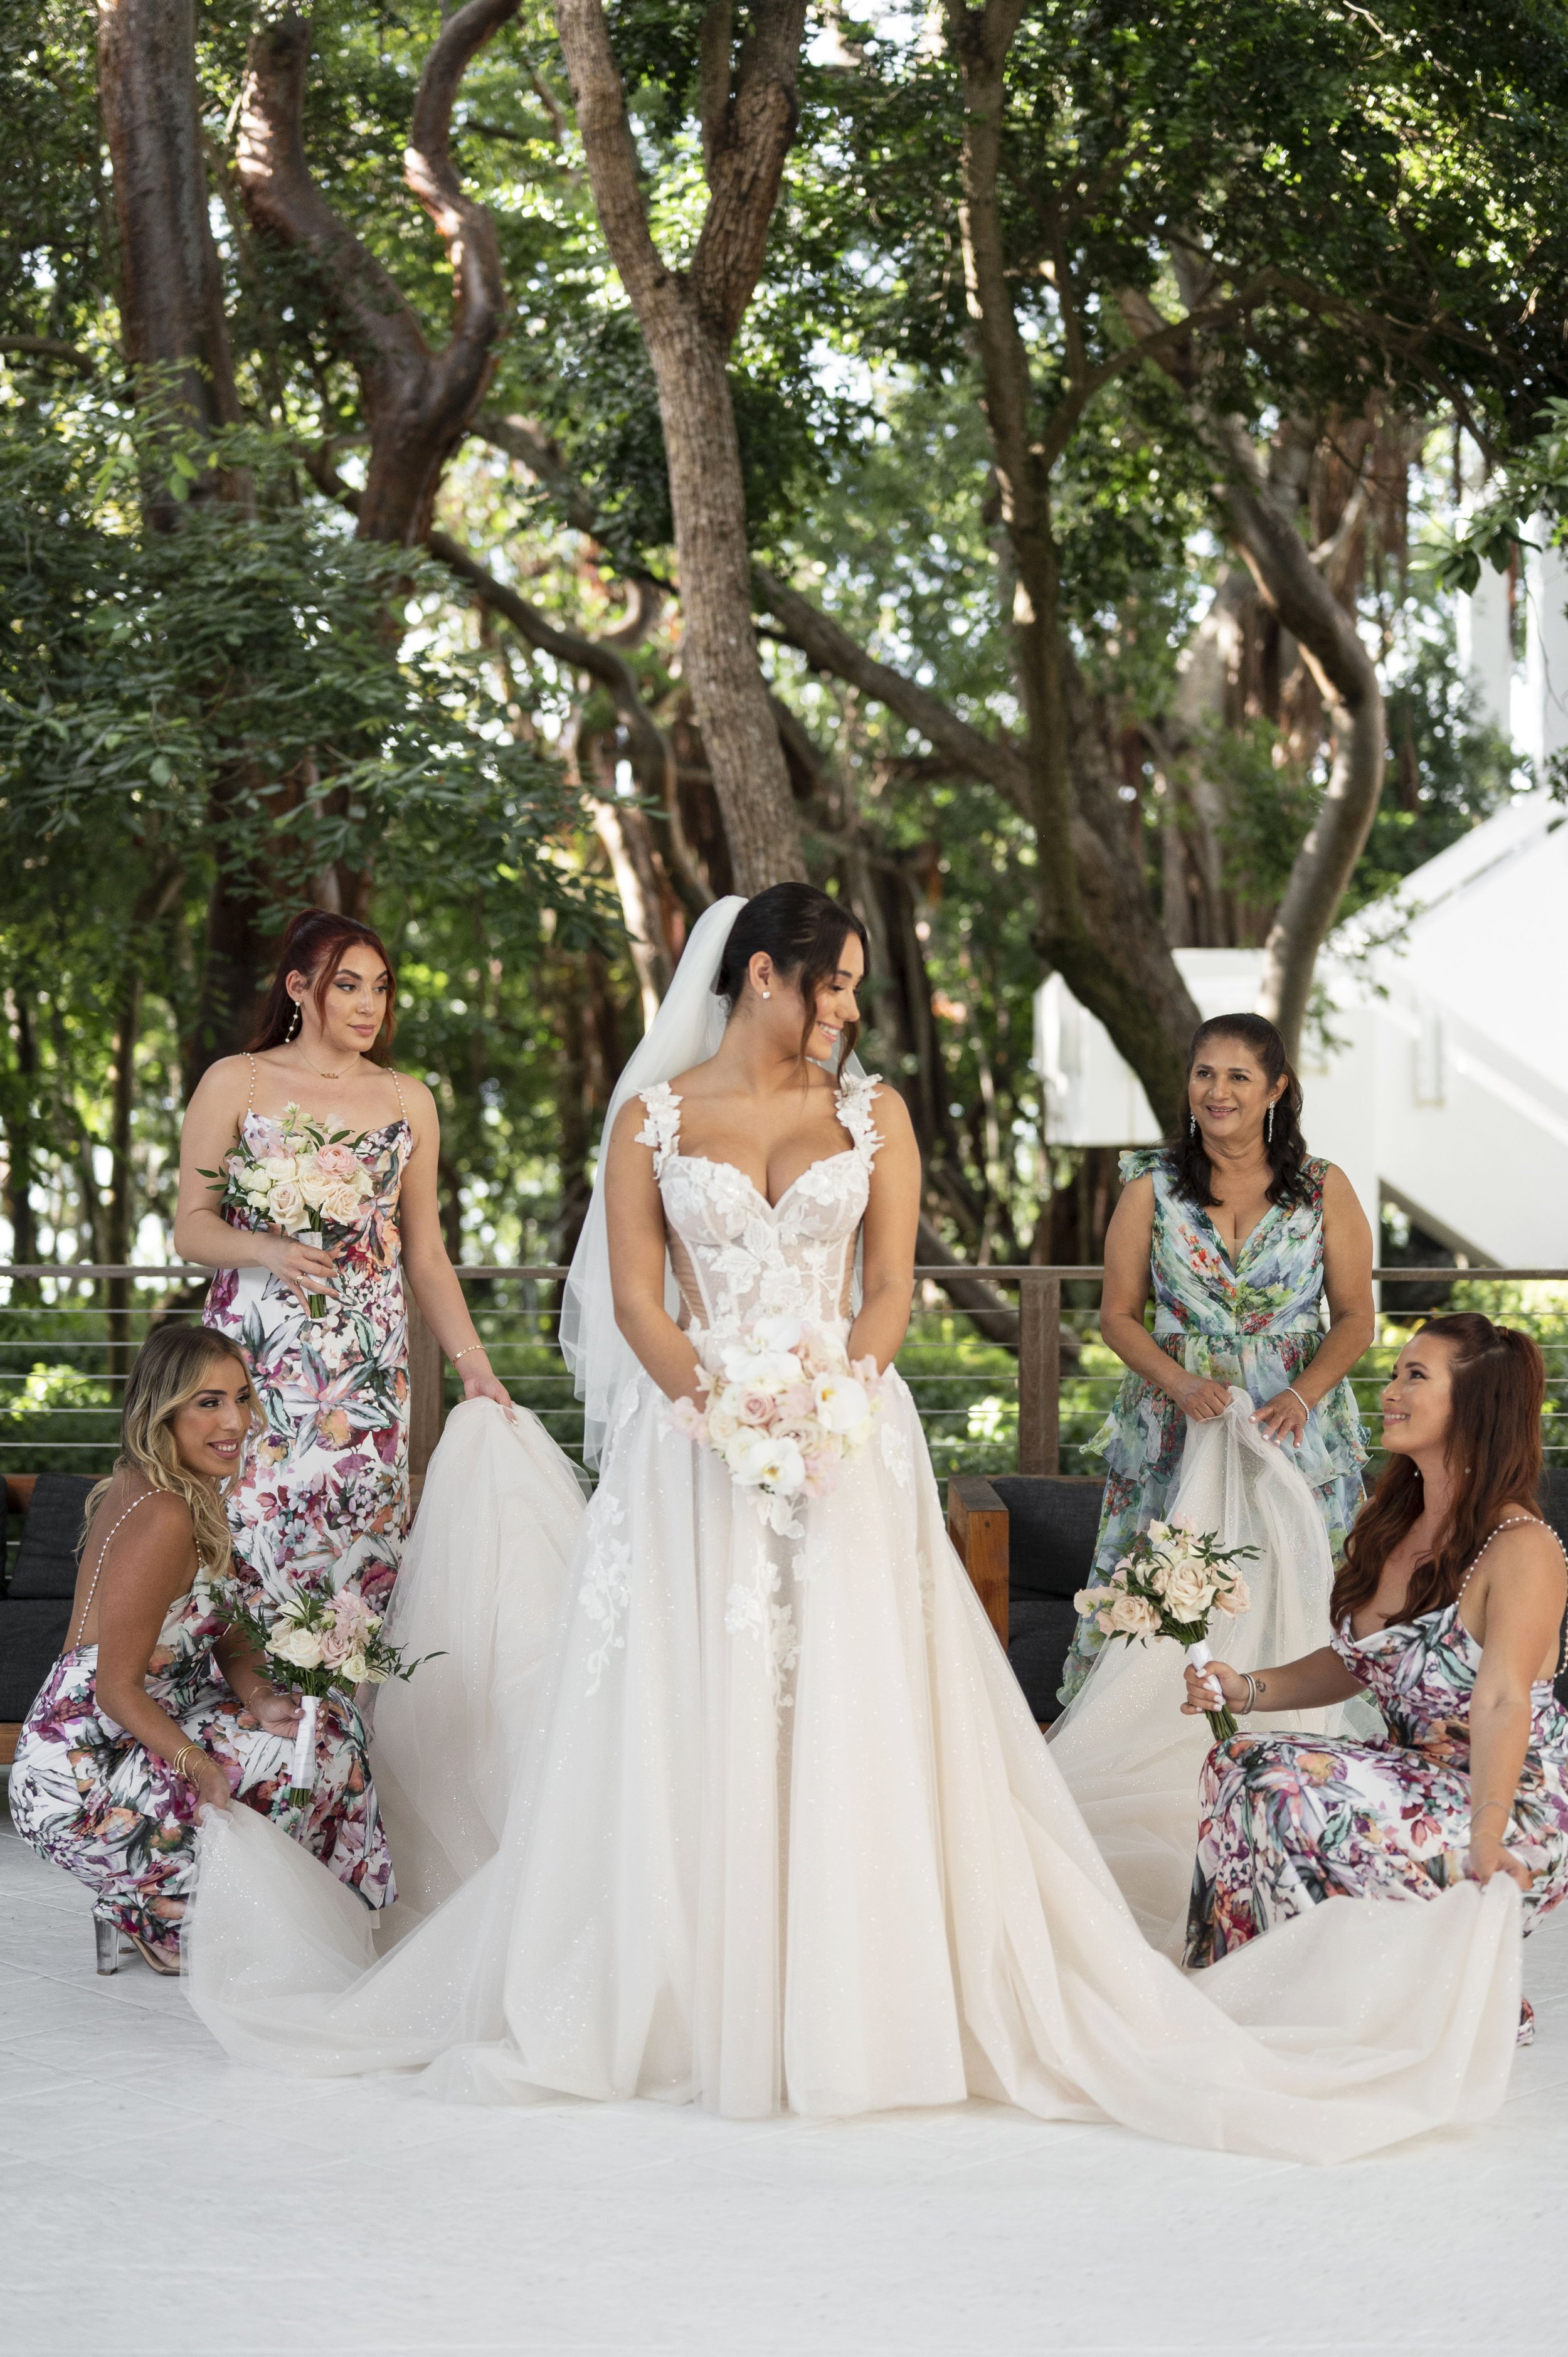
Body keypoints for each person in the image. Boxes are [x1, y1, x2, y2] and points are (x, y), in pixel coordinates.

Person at [186, 891, 1526, 2164]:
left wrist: (833, 1396)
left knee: (846, 1696)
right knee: (692, 1698)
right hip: (690, 1443)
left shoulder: (874, 1112)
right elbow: (643, 1298)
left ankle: (856, 1989)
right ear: (760, 975)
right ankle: (683, 1983)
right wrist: (713, 1403)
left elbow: (886, 1284)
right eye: (831, 981)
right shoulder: (650, 1115)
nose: (845, 1005)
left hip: (845, 1436)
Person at [1182, 1314, 1568, 2041]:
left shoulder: (1522, 1548)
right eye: (1394, 1373)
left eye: (1414, 1376)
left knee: (1281, 1782)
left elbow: (1502, 1697)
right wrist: (1246, 1688)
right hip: (1409, 1775)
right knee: (1235, 1759)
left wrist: (1487, 1832)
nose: (1389, 1390)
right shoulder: (1392, 1519)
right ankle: (1261, 1988)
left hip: (1504, 1801)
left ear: (1475, 1403)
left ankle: (1440, 1991)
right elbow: (1356, 1663)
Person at [8, 1325, 393, 1973]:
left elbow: (230, 1627)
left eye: (241, 1397)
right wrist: (198, 1765)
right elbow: (114, 1687)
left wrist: (263, 1697)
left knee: (321, 1734)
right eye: (208, 1402)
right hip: (80, 1764)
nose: (236, 1420)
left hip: (155, 1720)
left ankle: (226, 1908)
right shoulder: (162, 1512)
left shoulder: (189, 1492)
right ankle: (151, 1907)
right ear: (163, 1410)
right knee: (251, 1801)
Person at [176, 909, 510, 1619]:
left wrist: (472, 1361)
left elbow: (425, 1252)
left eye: (382, 988)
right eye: (348, 985)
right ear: (299, 987)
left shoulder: (406, 1098)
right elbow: (192, 1228)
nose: (369, 1005)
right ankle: (240, 1711)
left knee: (358, 1542)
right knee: (248, 1529)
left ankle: (342, 1717)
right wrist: (267, 1247)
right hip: (256, 1357)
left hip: (365, 1368)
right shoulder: (236, 1080)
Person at [1059, 1013, 1374, 1708]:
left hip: (1294, 1424)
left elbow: (1355, 1318)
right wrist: (1178, 1381)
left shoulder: (1323, 1187)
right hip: (1177, 1419)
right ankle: (1155, 1731)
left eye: (1238, 1075)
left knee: (1301, 1572)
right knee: (1169, 1585)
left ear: (1275, 1089)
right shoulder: (1150, 1184)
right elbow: (1115, 1315)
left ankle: (1295, 1721)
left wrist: (1301, 1395)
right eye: (1204, 1072)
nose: (1217, 1090)